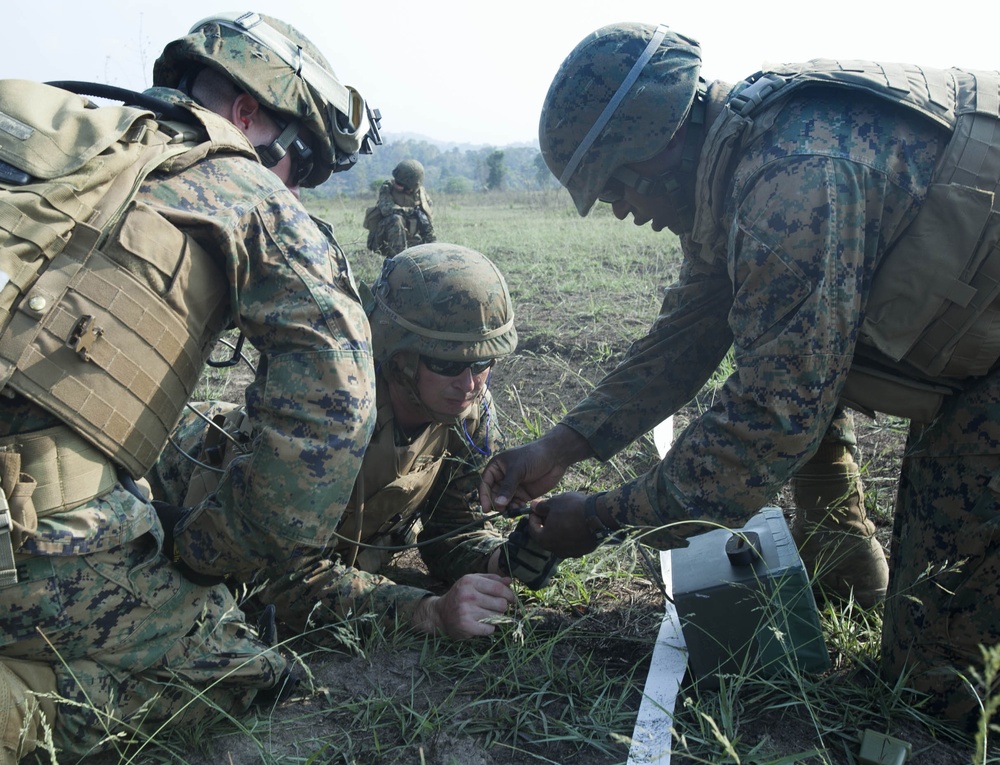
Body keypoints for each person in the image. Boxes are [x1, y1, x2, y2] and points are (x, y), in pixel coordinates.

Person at [480, 22, 1000, 732]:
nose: (624, 209)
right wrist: (558, 447)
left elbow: (768, 419)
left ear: (661, 145)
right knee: (790, 350)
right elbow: (683, 339)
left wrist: (601, 516)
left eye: (620, 184)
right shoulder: (735, 164)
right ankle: (848, 567)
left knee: (946, 689)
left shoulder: (791, 183)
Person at [0, 11, 379, 762]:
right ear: (248, 112)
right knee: (239, 667)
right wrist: (207, 549)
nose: (297, 186)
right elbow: (334, 408)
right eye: (302, 163)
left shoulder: (51, 135)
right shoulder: (245, 188)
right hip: (30, 542)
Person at [151, 244, 553, 639]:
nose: (469, 384)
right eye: (446, 364)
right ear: (399, 355)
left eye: (482, 363)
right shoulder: (330, 408)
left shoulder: (467, 413)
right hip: (167, 478)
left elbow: (450, 528)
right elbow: (275, 577)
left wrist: (502, 558)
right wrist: (426, 612)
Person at [365, 159, 436, 257]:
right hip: (382, 240)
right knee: (396, 219)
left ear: (411, 187)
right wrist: (410, 211)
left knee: (423, 219)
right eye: (396, 181)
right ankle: (399, 258)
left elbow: (429, 223)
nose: (395, 184)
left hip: (410, 239)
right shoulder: (387, 187)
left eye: (400, 184)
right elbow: (386, 210)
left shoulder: (421, 195)